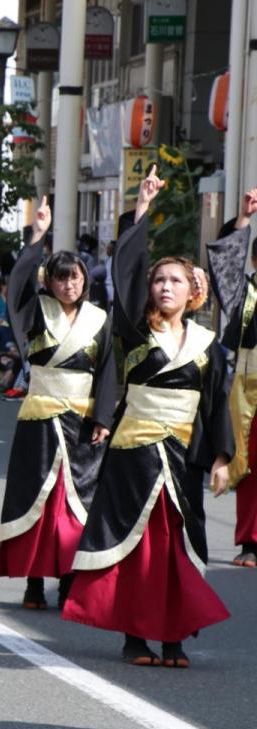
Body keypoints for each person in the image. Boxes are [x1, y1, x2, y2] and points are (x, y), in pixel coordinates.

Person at [62, 166, 232, 668]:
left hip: (183, 459)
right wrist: (141, 211)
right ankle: (135, 637)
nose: (164, 286)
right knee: (136, 547)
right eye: (159, 279)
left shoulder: (207, 345)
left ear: (192, 292)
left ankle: (174, 639)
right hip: (134, 453)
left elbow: (217, 404)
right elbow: (128, 271)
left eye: (175, 280)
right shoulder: (135, 332)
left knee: (175, 549)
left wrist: (222, 457)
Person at [0, 197, 116, 610]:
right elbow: (20, 279)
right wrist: (38, 235)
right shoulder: (34, 311)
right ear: (51, 282)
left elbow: (109, 371)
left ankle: (67, 581)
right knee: (39, 502)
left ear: (86, 280)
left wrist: (103, 417)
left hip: (82, 421)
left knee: (75, 504)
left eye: (76, 278)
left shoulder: (99, 319)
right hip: (40, 419)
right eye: (61, 279)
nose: (69, 285)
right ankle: (32, 581)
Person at [206, 188, 257, 567]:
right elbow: (225, 266)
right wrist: (243, 220)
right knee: (251, 467)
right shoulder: (246, 293)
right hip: (249, 391)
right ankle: (252, 543)